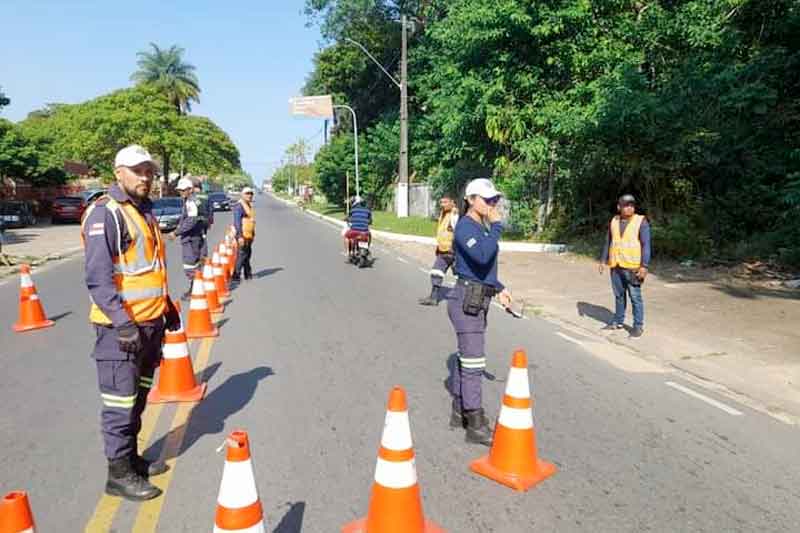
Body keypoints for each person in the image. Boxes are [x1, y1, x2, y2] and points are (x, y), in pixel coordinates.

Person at [81, 145, 181, 501]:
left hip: (149, 326)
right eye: (138, 171)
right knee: (120, 404)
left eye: (150, 171)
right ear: (118, 172)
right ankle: (118, 473)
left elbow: (148, 269)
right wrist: (124, 324)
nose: (146, 177)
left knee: (138, 399)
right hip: (119, 331)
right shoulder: (104, 214)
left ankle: (132, 459)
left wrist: (166, 307)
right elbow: (99, 279)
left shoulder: (144, 212)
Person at [446, 178, 512, 445]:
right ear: (471, 200)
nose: (492, 204)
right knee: (474, 363)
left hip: (478, 297)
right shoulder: (465, 228)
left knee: (467, 359)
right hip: (466, 301)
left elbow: (481, 269)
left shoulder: (479, 227)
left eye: (494, 199)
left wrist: (500, 287)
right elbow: (483, 256)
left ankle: (460, 410)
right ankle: (475, 423)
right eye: (487, 199)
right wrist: (497, 226)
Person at [598, 193, 652, 338]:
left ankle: (638, 326)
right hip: (616, 265)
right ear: (619, 207)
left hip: (633, 267)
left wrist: (644, 266)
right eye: (626, 205)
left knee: (635, 297)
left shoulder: (641, 221)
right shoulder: (614, 221)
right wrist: (603, 260)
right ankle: (618, 321)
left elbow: (646, 245)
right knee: (619, 295)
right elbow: (608, 241)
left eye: (632, 205)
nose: (629, 208)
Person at [419, 194, 458, 306]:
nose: (443, 205)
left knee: (461, 276)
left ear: (452, 202)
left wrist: (455, 249)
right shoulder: (444, 213)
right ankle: (434, 297)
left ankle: (465, 299)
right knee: (436, 272)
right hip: (443, 250)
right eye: (441, 202)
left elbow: (458, 233)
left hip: (453, 251)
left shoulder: (454, 215)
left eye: (445, 202)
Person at [172, 177, 206, 300]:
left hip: (191, 239)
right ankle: (197, 288)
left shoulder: (191, 202)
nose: (181, 192)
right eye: (180, 190)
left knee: (190, 266)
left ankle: (195, 291)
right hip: (195, 237)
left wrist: (176, 232)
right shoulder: (193, 200)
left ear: (190, 189)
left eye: (183, 190)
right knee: (195, 265)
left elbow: (191, 220)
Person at [232, 186, 256, 281]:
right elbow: (237, 222)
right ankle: (236, 275)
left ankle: (247, 273)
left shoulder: (248, 205)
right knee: (242, 254)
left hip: (248, 235)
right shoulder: (239, 206)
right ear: (242, 195)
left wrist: (253, 234)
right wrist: (240, 236)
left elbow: (250, 221)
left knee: (247, 254)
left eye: (251, 193)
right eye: (247, 193)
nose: (249, 195)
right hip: (243, 235)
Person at [192, 176, 213, 258]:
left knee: (195, 237)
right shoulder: (207, 196)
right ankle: (204, 254)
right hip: (205, 220)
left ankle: (197, 254)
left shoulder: (192, 197)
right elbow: (210, 209)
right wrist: (210, 222)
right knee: (203, 236)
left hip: (195, 220)